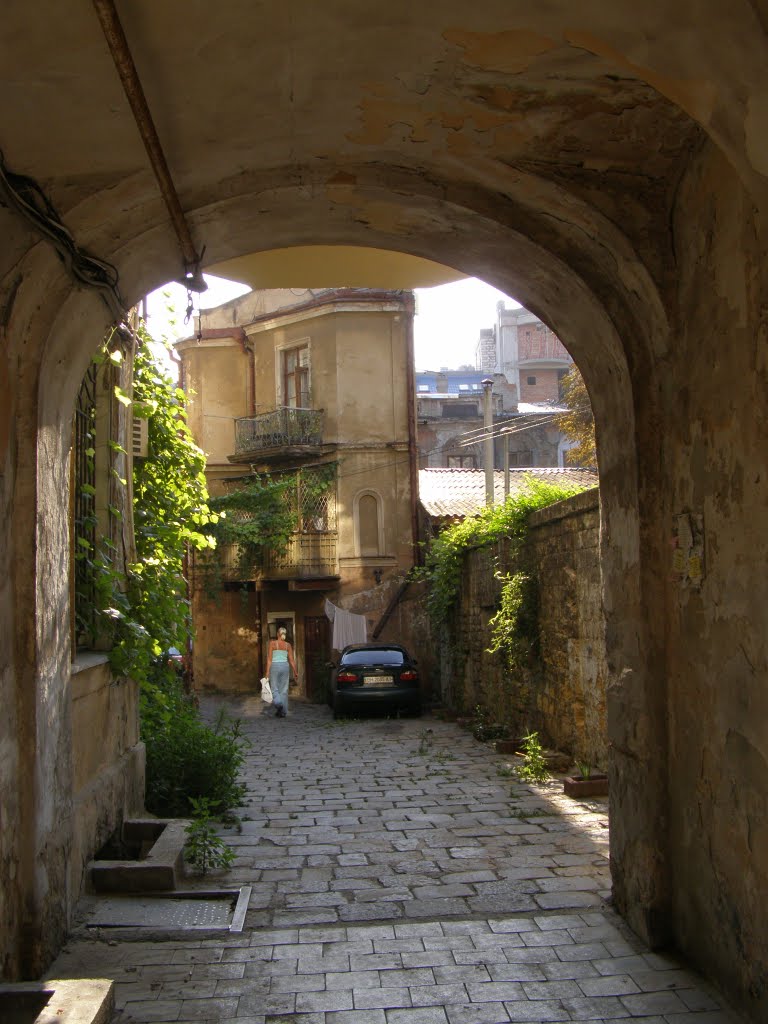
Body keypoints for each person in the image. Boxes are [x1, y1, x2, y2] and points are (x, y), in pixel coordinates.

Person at [265, 626, 297, 718]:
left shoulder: (273, 644)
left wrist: (267, 672)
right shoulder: (288, 645)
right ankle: (282, 712)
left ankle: (279, 704)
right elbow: (291, 660)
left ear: (277, 634)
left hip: (275, 666)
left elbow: (269, 659)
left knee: (274, 687)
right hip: (285, 667)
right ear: (284, 634)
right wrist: (295, 671)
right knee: (284, 690)